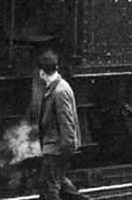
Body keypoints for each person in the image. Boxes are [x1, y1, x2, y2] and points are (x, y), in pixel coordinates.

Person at [33, 50, 92, 200]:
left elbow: (67, 122)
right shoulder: (56, 87)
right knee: (59, 182)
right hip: (55, 146)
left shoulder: (60, 91)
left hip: (57, 147)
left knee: (49, 186)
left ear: (41, 72)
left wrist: (67, 148)